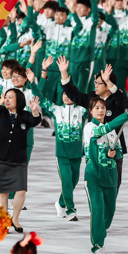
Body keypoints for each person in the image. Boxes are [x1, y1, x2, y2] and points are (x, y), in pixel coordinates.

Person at [0, 77, 43, 232]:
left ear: (19, 100)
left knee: (21, 190)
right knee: (2, 192)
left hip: (18, 159)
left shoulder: (25, 116)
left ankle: (15, 219)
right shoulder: (0, 113)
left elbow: (36, 121)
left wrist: (35, 110)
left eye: (11, 97)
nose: (7, 100)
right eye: (6, 97)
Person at [60, 61, 128, 189]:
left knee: (113, 185)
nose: (95, 86)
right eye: (95, 83)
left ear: (108, 86)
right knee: (94, 184)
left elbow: (123, 101)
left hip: (112, 149)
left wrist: (108, 81)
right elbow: (73, 95)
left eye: (98, 83)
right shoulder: (92, 98)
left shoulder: (116, 100)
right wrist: (64, 73)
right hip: (93, 150)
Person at [37, 57, 86, 221]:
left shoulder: (82, 111)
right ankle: (71, 210)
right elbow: (40, 97)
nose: (66, 96)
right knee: (66, 181)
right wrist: (43, 72)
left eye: (69, 94)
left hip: (77, 153)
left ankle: (60, 203)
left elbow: (96, 101)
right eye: (64, 94)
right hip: (62, 154)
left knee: (73, 181)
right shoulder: (56, 110)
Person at [82, 96, 128, 254]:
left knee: (109, 213)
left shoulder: (112, 131)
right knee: (98, 210)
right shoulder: (89, 128)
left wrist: (114, 153)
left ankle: (100, 232)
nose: (101, 110)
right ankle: (97, 245)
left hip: (110, 176)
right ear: (91, 111)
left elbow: (119, 152)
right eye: (97, 108)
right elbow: (100, 132)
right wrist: (123, 117)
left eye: (103, 107)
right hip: (94, 176)